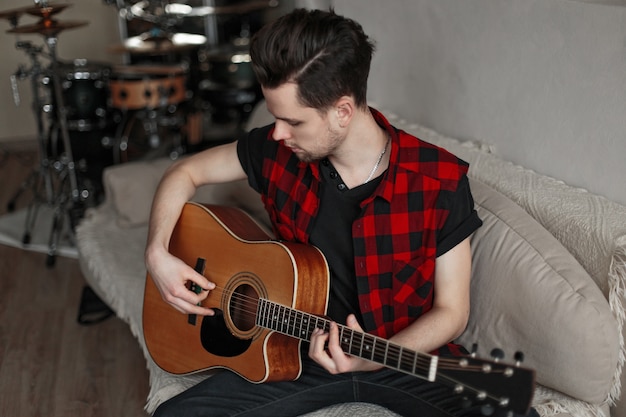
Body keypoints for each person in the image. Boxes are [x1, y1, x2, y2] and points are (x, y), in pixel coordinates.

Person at [145, 8, 533, 417]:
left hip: (402, 358)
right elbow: (183, 171)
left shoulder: (439, 181)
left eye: (292, 121)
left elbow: (453, 312)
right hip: (294, 351)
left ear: (342, 111)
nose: (277, 133)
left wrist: (374, 358)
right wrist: (157, 255)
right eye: (275, 118)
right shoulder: (277, 152)